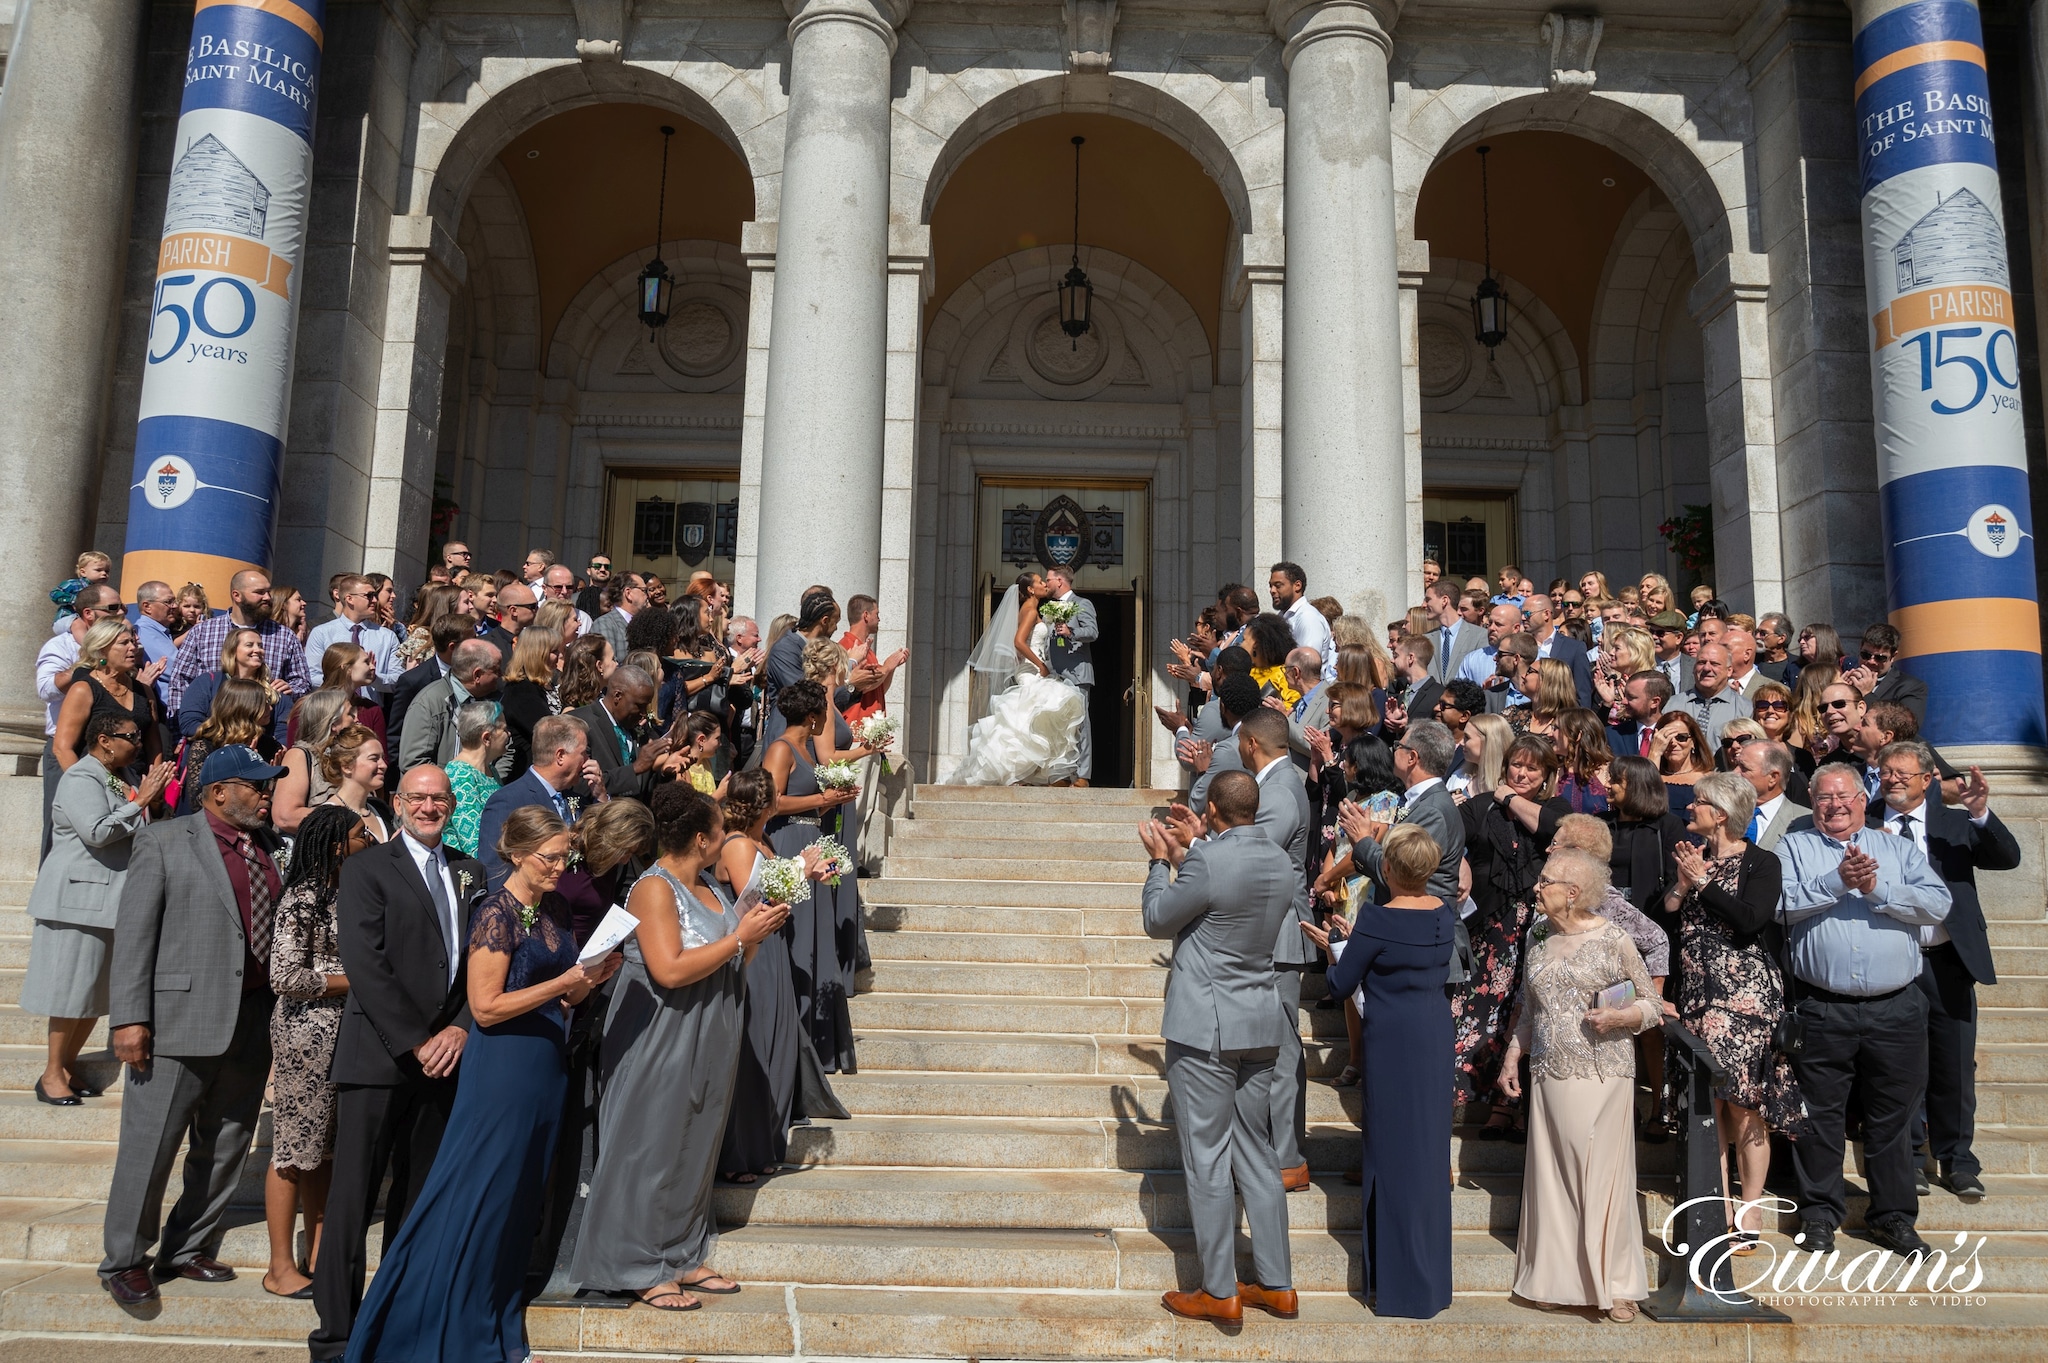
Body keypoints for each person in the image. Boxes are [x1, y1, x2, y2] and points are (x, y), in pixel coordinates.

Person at [341, 806, 621, 1361]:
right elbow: (486, 1008)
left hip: (544, 1070)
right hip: (502, 1073)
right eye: (550, 857)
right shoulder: (496, 911)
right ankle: (425, 1326)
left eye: (566, 856)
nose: (560, 866)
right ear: (516, 853)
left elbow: (564, 997)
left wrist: (587, 981)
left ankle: (493, 1316)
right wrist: (563, 982)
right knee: (477, 1198)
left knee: (516, 1206)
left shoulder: (556, 907)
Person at [573, 785, 786, 1308]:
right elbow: (667, 969)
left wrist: (756, 929)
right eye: (718, 829)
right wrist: (738, 938)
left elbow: (735, 961)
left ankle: (682, 1255)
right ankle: (640, 1265)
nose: (724, 837)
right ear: (700, 837)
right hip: (661, 1033)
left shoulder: (711, 883)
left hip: (713, 1026)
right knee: (652, 1145)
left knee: (695, 1141)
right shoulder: (653, 888)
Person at [310, 765, 486, 1360]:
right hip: (379, 1058)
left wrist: (460, 1030)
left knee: (417, 1201)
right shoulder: (365, 869)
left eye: (439, 798)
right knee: (353, 1199)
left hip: (445, 1062)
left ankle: (398, 1320)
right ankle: (336, 1335)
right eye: (418, 798)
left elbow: (480, 964)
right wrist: (417, 1040)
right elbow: (366, 964)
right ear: (398, 802)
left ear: (453, 803)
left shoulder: (470, 870)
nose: (429, 807)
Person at [100, 745, 285, 1306]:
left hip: (252, 1019)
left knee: (226, 1143)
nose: (265, 793)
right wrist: (130, 1018)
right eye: (254, 785)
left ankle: (187, 1246)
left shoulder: (268, 848)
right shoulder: (162, 840)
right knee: (150, 1146)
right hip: (178, 1022)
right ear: (218, 791)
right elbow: (134, 936)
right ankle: (125, 1258)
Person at [1138, 771, 1297, 1323]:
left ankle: (1218, 1288)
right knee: (1257, 1152)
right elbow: (1225, 890)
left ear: (1212, 811)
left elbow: (1159, 920)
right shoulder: (1280, 860)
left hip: (1207, 1023)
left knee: (1206, 1156)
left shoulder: (1205, 860)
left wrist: (1162, 863)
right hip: (1260, 1020)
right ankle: (1277, 1283)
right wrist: (1197, 845)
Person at [1776, 764, 1952, 1256]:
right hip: (1821, 1007)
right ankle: (1818, 1215)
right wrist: (1836, 882)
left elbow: (1938, 905)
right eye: (1824, 798)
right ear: (1812, 802)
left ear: (1861, 799)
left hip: (1896, 1009)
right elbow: (1778, 904)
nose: (1834, 805)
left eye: (1844, 796)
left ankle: (1893, 1217)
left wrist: (1879, 891)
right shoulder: (1794, 846)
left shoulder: (1896, 849)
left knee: (1891, 1119)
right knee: (1818, 1117)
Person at [1501, 847, 1663, 1321]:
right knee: (1551, 1179)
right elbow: (1531, 1009)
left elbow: (1651, 1004)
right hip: (1549, 1072)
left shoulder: (1614, 939)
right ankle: (1555, 1279)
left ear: (1572, 893)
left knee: (1601, 1177)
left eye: (1545, 881)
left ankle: (1616, 1284)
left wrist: (1620, 1015)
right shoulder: (1536, 935)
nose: (1536, 886)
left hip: (1603, 1071)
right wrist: (1514, 1054)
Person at [1305, 824, 1455, 1320]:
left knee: (1390, 1159)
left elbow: (1343, 982)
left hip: (1392, 1043)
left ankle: (1397, 1287)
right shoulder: (1443, 914)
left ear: (1387, 869)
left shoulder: (1374, 918)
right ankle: (1430, 1284)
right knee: (1428, 1157)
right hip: (1433, 1038)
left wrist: (1336, 943)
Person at [1664, 772, 1805, 1252]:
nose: (1689, 809)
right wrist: (1686, 882)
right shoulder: (1694, 856)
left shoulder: (1762, 861)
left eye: (1697, 803)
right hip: (1699, 997)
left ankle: (1749, 1211)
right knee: (1712, 1107)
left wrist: (1702, 882)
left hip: (1745, 999)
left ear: (1720, 814)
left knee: (1746, 1108)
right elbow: (1667, 910)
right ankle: (1717, 1207)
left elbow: (1749, 920)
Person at [1872, 743, 2018, 1201]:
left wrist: (1980, 813)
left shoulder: (1955, 823)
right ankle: (1911, 1159)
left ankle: (1958, 1161)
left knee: (1954, 1064)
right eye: (1886, 772)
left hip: (1949, 962)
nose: (1893, 779)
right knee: (1900, 1065)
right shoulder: (1868, 825)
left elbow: (2007, 857)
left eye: (1903, 772)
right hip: (1892, 962)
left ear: (1928, 779)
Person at [24, 712, 172, 1104]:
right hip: (75, 902)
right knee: (70, 993)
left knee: (92, 995)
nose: (138, 743)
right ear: (105, 740)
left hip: (107, 901)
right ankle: (51, 1073)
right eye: (130, 737)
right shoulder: (80, 777)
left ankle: (67, 1066)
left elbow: (134, 825)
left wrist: (145, 801)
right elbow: (97, 831)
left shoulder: (115, 777)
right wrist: (139, 801)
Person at [264, 805, 370, 1299]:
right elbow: (283, 976)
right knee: (292, 1149)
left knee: (324, 1151)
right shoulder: (302, 898)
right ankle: (280, 1267)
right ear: (334, 845)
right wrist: (356, 982)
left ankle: (321, 1256)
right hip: (305, 1037)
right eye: (358, 834)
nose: (368, 838)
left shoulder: (349, 891)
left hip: (346, 1034)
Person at [1455, 733, 1569, 1137]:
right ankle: (1476, 1098)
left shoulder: (1555, 806)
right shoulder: (1480, 806)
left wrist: (1507, 797)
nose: (1521, 773)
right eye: (1515, 765)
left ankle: (1511, 1106)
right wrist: (1463, 862)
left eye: (1531, 768)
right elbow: (1447, 837)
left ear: (1546, 776)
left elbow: (1552, 829)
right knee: (1480, 1012)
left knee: (1523, 1015)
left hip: (1538, 929)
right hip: (1487, 926)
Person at [762, 681, 863, 1072]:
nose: (828, 717)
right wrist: (824, 799)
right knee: (799, 939)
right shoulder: (781, 749)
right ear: (812, 716)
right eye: (824, 710)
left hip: (814, 839)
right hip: (789, 844)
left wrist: (832, 802)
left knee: (819, 937)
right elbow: (771, 802)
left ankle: (820, 1047)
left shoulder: (804, 749)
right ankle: (795, 1043)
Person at [951, 572, 1088, 786]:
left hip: (1032, 669)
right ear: (1031, 590)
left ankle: (1036, 773)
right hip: (1032, 672)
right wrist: (1040, 664)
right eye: (1040, 582)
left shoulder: (1030, 610)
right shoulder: (1030, 610)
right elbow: (1018, 641)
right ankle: (1025, 773)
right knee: (1031, 718)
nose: (1044, 584)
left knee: (1036, 719)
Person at [162, 569, 311, 715]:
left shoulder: (284, 636)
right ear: (237, 595)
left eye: (268, 592)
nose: (267, 597)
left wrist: (291, 690)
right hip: (210, 730)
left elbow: (303, 683)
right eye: (259, 592)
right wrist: (183, 730)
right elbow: (180, 683)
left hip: (265, 731)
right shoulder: (203, 632)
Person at [478, 714, 600, 889]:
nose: (588, 760)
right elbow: (496, 872)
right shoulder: (508, 801)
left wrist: (601, 795)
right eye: (583, 753)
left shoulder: (579, 800)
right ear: (560, 756)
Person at [174, 678, 278, 815]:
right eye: (264, 704)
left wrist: (273, 779)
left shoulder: (269, 745)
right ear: (245, 707)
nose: (270, 708)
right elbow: (198, 802)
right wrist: (242, 767)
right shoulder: (205, 746)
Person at [398, 638, 503, 772]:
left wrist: (491, 779)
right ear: (477, 675)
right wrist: (458, 784)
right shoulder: (429, 704)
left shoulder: (492, 699)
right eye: (496, 670)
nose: (501, 675)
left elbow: (506, 749)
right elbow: (414, 762)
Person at [176, 625, 288, 750]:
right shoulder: (208, 683)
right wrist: (235, 739)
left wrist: (272, 749)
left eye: (260, 646)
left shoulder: (275, 690)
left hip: (261, 761)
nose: (258, 650)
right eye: (249, 645)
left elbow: (283, 733)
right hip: (210, 756)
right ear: (232, 651)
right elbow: (189, 723)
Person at [572, 665, 673, 801]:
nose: (644, 713)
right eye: (639, 705)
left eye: (646, 706)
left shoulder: (638, 729)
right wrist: (635, 768)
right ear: (618, 696)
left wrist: (665, 771)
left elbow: (643, 785)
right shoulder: (580, 724)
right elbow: (579, 784)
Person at [1038, 564, 1100, 784]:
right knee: (1058, 724)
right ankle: (1062, 773)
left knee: (1080, 724)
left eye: (1049, 579)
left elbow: (1093, 632)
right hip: (1055, 674)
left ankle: (1083, 775)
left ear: (1060, 581)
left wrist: (1071, 631)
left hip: (1077, 672)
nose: (1046, 584)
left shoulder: (1082, 604)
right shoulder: (1050, 607)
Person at [273, 690, 354, 835]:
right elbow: (285, 816)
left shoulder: (354, 757)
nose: (357, 720)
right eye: (350, 714)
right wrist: (345, 820)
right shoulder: (299, 756)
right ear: (333, 723)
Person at [305, 574, 404, 687]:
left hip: (371, 704)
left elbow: (399, 679)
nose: (375, 600)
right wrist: (346, 679)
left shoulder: (387, 636)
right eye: (369, 596)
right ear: (350, 599)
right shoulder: (322, 633)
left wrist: (374, 677)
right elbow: (312, 676)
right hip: (333, 702)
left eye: (375, 595)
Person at [446, 699, 509, 857]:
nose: (509, 735)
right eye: (504, 730)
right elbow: (473, 842)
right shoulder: (460, 775)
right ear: (486, 738)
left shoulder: (491, 771)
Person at [499, 628, 563, 779]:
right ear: (537, 654)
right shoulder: (521, 691)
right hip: (529, 774)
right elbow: (548, 733)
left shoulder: (544, 683)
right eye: (554, 652)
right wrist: (569, 711)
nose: (559, 656)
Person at [317, 725, 392, 843]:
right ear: (347, 766)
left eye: (382, 758)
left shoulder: (380, 810)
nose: (383, 765)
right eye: (374, 759)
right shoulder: (329, 819)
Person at [1670, 641, 1751, 749]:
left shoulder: (1745, 709)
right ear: (1694, 668)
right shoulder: (1672, 705)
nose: (1707, 668)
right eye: (1701, 662)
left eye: (1714, 663)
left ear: (1729, 671)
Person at [1735, 740, 1809, 851]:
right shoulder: (1720, 814)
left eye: (1744, 768)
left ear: (1773, 778)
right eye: (1737, 766)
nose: (1734, 773)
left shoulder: (1805, 822)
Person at [1846, 623, 1927, 725]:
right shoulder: (1847, 679)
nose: (1871, 661)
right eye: (1865, 655)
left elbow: (1907, 726)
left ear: (1893, 656)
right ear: (1860, 648)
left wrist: (1866, 694)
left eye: (1880, 658)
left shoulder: (1911, 687)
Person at [1269, 560, 1335, 680]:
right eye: (1271, 586)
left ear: (1297, 586)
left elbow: (1307, 666)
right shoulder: (1283, 616)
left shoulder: (1308, 617)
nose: (1272, 590)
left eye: (1278, 585)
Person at [1422, 579, 1487, 683]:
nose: (1423, 605)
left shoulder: (1480, 636)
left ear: (1444, 600)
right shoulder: (1426, 639)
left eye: (1428, 599)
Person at [1651, 710, 1714, 816]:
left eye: (1681, 737)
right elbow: (1641, 799)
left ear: (1693, 741)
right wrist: (1655, 753)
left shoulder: (1710, 780)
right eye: (1667, 738)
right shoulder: (1652, 775)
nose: (1674, 743)